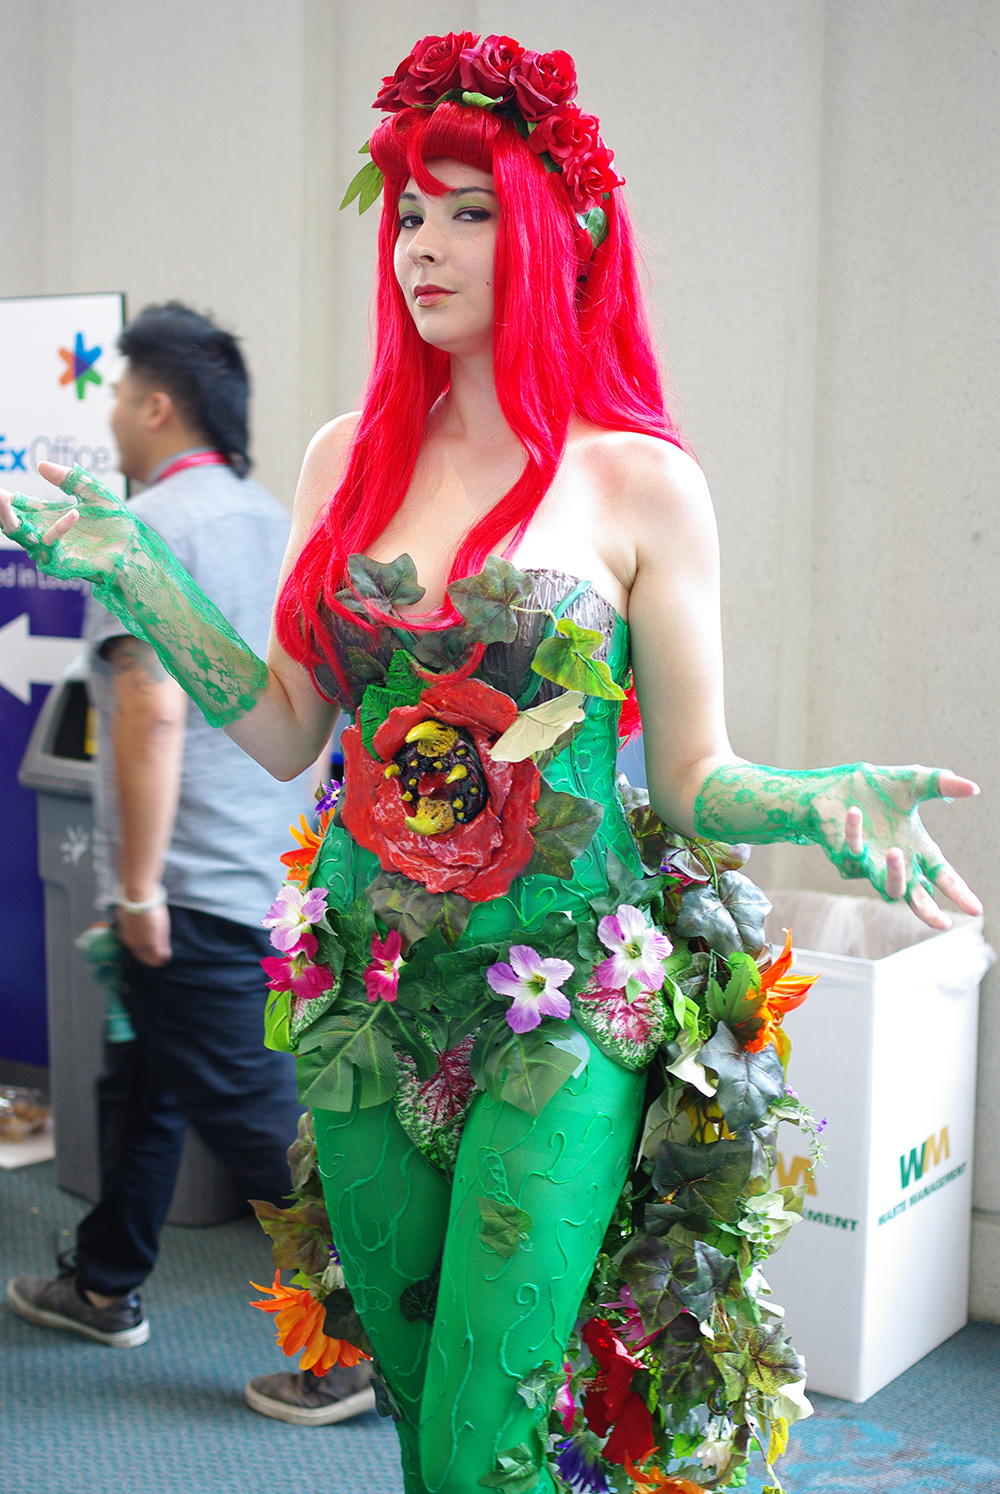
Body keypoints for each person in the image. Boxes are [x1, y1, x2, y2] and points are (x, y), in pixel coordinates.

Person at [0, 34, 980, 1492]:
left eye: (468, 211)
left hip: (562, 1000)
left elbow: (690, 777)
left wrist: (813, 797)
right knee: (416, 1403)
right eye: (409, 212)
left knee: (485, 1423)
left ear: (554, 233)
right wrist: (130, 568)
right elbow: (285, 728)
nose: (424, 245)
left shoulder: (640, 479)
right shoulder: (343, 458)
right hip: (366, 993)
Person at [5, 303, 373, 1427]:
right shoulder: (272, 520)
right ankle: (102, 1282)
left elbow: (151, 712)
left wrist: (137, 889)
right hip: (275, 874)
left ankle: (356, 1345)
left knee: (259, 1127)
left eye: (119, 395)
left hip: (194, 886)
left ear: (158, 406)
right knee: (144, 1084)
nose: (112, 416)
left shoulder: (144, 527)